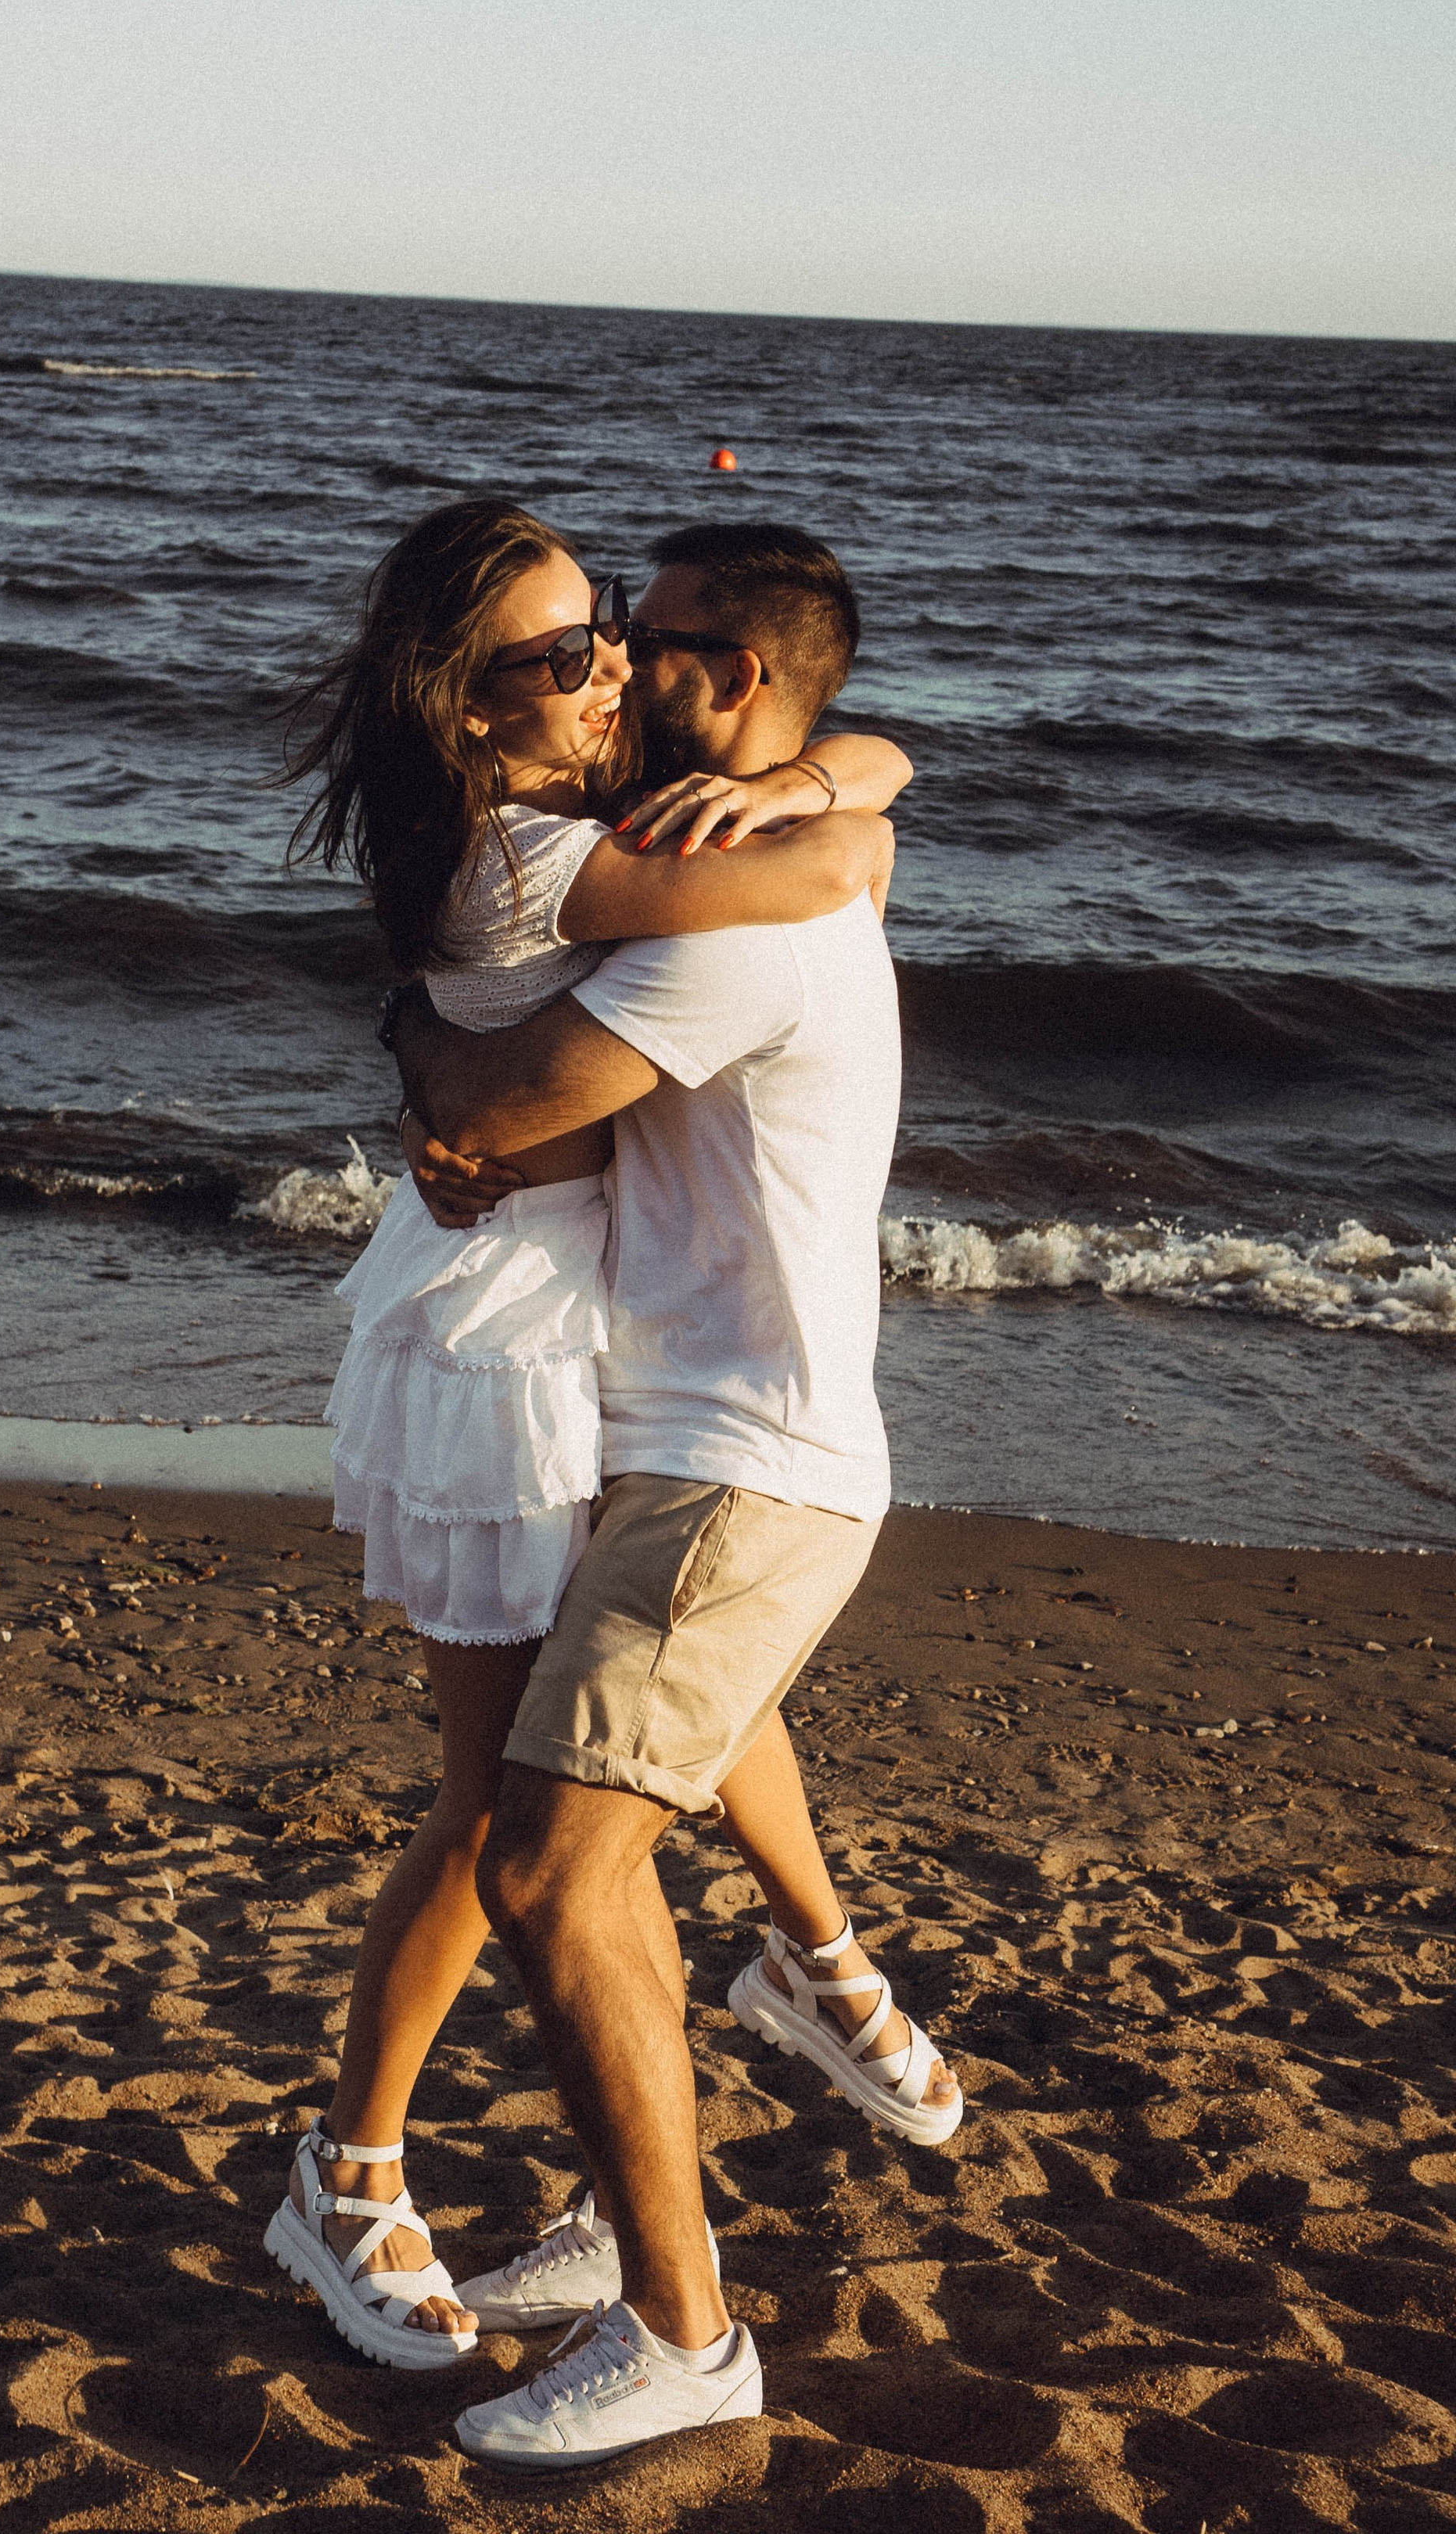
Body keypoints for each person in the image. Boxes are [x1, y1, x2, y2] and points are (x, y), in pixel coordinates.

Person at [262, 498, 951, 2385]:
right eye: (568, 656)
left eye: (614, 641)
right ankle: (350, 2173)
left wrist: (832, 756)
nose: (610, 680)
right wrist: (847, 809)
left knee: (631, 1732)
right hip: (511, 1334)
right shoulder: (532, 860)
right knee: (511, 1810)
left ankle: (818, 1968)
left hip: (591, 1329)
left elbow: (842, 750)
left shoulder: (581, 802)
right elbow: (823, 878)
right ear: (468, 708)